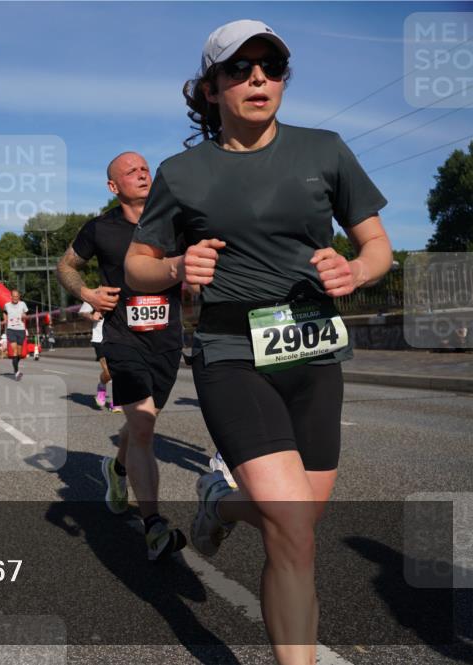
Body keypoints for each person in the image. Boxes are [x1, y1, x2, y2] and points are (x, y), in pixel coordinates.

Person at [124, 20, 392, 663]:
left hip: (314, 350)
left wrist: (354, 270)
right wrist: (177, 268)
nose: (258, 79)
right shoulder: (183, 172)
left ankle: (221, 502)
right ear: (210, 88)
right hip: (231, 354)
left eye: (270, 68)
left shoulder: (324, 150)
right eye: (240, 70)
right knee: (293, 524)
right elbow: (138, 262)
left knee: (299, 522)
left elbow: (375, 244)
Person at [56, 150, 186, 559]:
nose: (143, 174)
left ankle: (116, 468)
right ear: (114, 186)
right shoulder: (101, 227)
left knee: (143, 421)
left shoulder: (174, 220)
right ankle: (154, 526)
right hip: (121, 337)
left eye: (146, 168)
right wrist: (88, 293)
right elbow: (66, 267)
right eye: (131, 172)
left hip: (166, 339)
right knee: (144, 425)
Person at [78, 301, 121, 412]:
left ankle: (117, 402)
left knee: (119, 370)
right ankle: (102, 386)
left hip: (120, 338)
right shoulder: (95, 294)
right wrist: (92, 316)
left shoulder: (125, 291)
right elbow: (82, 312)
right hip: (100, 338)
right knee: (109, 372)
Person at [2, 289, 30, 380]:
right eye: (13, 296)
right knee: (14, 351)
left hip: (21, 330)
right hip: (11, 330)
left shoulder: (23, 304)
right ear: (11, 297)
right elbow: (4, 312)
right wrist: (5, 320)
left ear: (19, 297)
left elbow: (26, 314)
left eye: (17, 296)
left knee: (19, 353)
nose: (15, 298)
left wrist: (24, 316)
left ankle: (15, 366)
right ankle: (16, 372)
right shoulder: (7, 305)